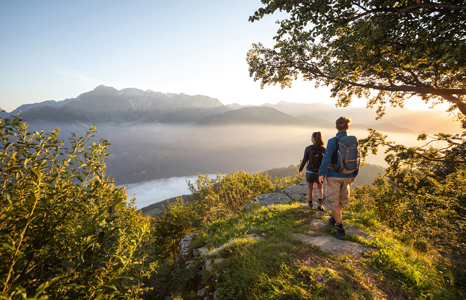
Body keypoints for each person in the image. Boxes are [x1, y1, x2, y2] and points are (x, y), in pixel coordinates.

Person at [318, 117, 358, 240]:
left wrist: (321, 173)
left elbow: (326, 158)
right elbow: (357, 158)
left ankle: (340, 229)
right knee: (340, 201)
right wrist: (354, 173)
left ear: (336, 127)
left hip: (333, 175)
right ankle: (334, 218)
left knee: (334, 202)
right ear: (348, 127)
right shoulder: (353, 141)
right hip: (347, 175)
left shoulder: (332, 141)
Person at [299, 131, 325, 210]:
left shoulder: (308, 148)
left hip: (310, 172)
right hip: (319, 173)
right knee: (319, 188)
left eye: (311, 138)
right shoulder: (323, 149)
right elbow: (325, 162)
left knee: (310, 188)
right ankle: (320, 205)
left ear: (313, 139)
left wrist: (300, 169)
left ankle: (310, 205)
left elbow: (304, 160)